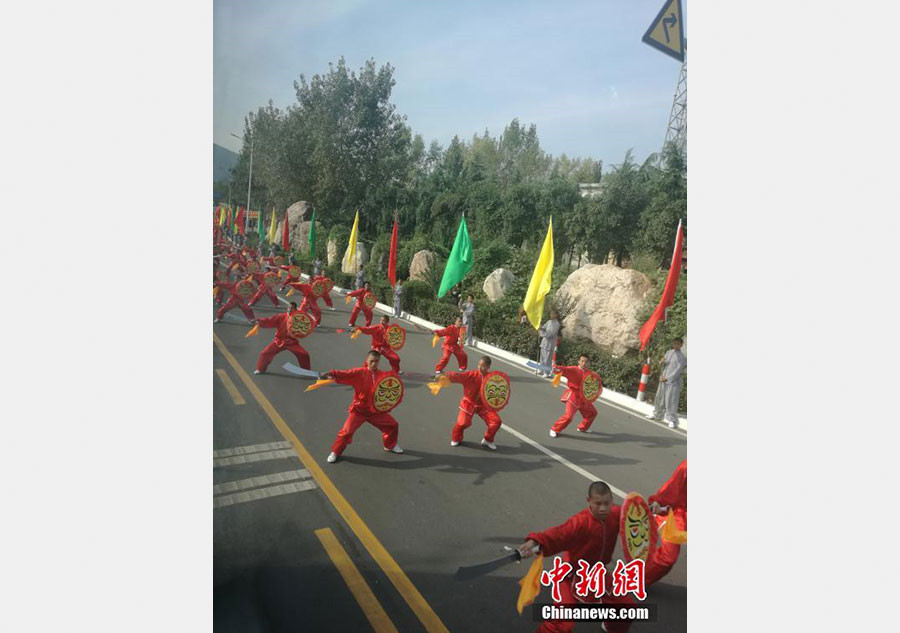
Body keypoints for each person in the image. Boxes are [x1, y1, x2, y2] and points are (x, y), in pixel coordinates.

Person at [516, 482, 633, 633]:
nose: (603, 508)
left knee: (626, 607)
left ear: (612, 500)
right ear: (588, 501)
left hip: (597, 574)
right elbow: (558, 534)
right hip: (571, 575)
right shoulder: (580, 522)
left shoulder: (616, 514)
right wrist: (536, 541)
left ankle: (611, 627)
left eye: (606, 503)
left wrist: (654, 508)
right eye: (598, 504)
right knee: (562, 624)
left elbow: (636, 513)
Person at [320, 350, 404, 463]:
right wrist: (331, 373)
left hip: (376, 412)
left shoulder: (383, 375)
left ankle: (390, 445)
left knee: (393, 425)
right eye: (371, 361)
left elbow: (392, 384)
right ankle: (335, 452)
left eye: (376, 361)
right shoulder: (359, 373)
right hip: (359, 411)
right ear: (367, 361)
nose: (374, 364)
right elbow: (345, 374)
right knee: (346, 432)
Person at [444, 356, 501, 451]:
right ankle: (456, 438)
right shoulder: (471, 375)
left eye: (483, 366)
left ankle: (488, 440)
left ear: (488, 367)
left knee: (496, 421)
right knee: (463, 423)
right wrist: (444, 376)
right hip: (468, 403)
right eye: (479, 365)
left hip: (483, 405)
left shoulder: (491, 378)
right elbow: (457, 376)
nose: (480, 367)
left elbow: (499, 389)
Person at [646, 460, 687, 586]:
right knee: (668, 557)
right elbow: (671, 488)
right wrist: (658, 502)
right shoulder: (687, 467)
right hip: (676, 514)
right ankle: (636, 579)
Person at [252, 302, 312, 374]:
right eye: (288, 308)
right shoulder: (281, 316)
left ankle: (306, 371)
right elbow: (270, 320)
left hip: (291, 342)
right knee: (265, 353)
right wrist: (259, 321)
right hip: (279, 341)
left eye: (292, 308)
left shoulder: (299, 318)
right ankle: (260, 369)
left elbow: (306, 325)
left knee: (304, 354)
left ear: (295, 309)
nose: (289, 310)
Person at [549, 354, 599, 437]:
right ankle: (554, 429)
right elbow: (562, 369)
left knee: (592, 413)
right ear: (579, 361)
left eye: (586, 362)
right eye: (582, 361)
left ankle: (583, 427)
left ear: (589, 363)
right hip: (573, 397)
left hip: (584, 398)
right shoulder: (573, 369)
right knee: (568, 417)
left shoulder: (589, 373)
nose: (584, 363)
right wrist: (555, 368)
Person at [649, 337, 687, 428]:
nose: (676, 345)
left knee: (671, 401)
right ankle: (657, 415)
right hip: (663, 379)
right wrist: (661, 363)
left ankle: (672, 420)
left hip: (673, 382)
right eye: (674, 343)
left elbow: (678, 371)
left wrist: (668, 378)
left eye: (678, 344)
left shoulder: (682, 358)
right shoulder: (668, 352)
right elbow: (663, 365)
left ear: (681, 345)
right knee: (659, 398)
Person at [537, 310, 561, 377]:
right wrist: (540, 327)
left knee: (547, 359)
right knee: (542, 357)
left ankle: (546, 372)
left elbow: (550, 334)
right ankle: (541, 370)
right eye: (551, 313)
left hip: (550, 344)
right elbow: (544, 328)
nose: (551, 315)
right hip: (544, 342)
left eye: (553, 314)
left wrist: (541, 333)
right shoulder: (549, 321)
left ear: (556, 315)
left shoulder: (557, 324)